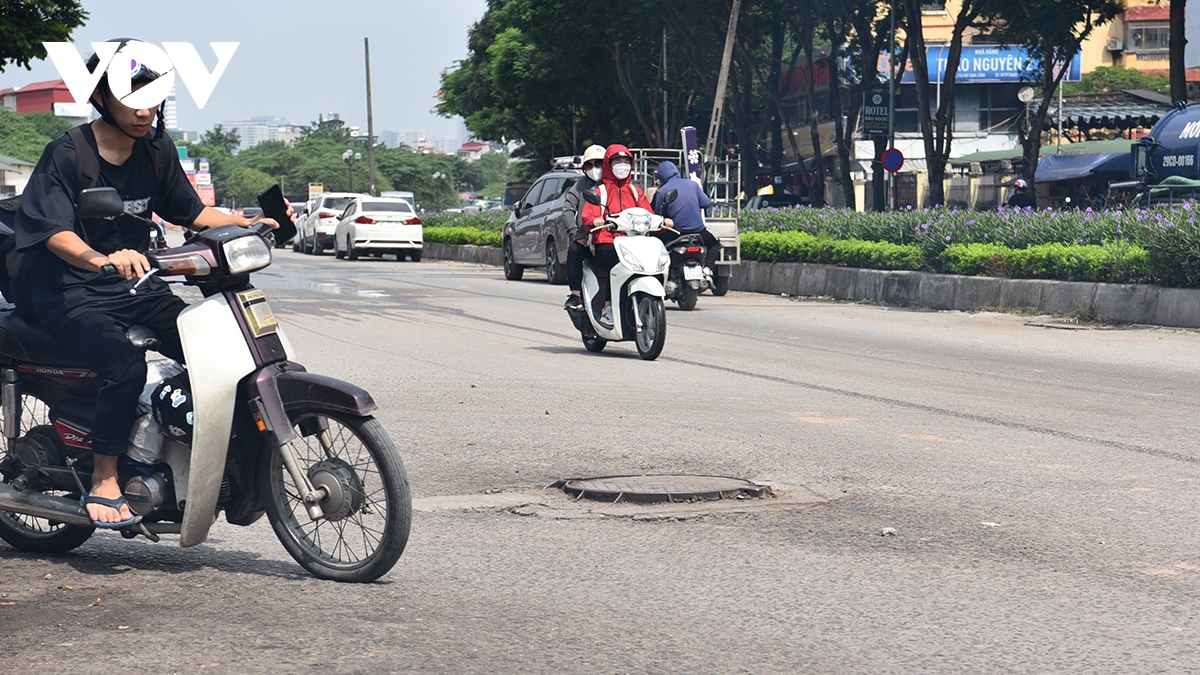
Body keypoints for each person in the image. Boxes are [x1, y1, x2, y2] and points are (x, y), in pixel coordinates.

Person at [14, 39, 288, 529]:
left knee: (215, 347)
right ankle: (104, 476)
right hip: (70, 293)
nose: (145, 111)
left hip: (136, 288)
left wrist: (252, 223)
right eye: (131, 99)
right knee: (124, 365)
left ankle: (226, 463)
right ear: (101, 97)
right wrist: (101, 257)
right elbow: (54, 232)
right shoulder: (68, 154)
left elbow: (193, 212)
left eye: (153, 99)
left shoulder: (157, 150)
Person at [579, 144, 653, 327]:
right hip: (606, 241)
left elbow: (648, 214)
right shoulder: (601, 192)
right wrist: (595, 220)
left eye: (626, 161)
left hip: (633, 242)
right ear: (609, 164)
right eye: (618, 161)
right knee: (618, 266)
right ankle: (608, 309)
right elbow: (588, 214)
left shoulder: (636, 192)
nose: (623, 165)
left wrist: (662, 220)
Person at [652, 160, 718, 278]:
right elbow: (706, 203)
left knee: (653, 242)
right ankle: (707, 269)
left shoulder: (662, 191)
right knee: (715, 244)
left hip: (676, 232)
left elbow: (657, 215)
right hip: (698, 231)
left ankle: (657, 274)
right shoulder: (693, 185)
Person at [562, 144, 605, 310]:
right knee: (573, 251)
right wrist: (576, 234)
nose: (595, 169)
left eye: (599, 164)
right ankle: (575, 295)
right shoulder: (581, 186)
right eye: (590, 165)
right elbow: (567, 210)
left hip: (612, 237)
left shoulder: (614, 184)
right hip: (588, 238)